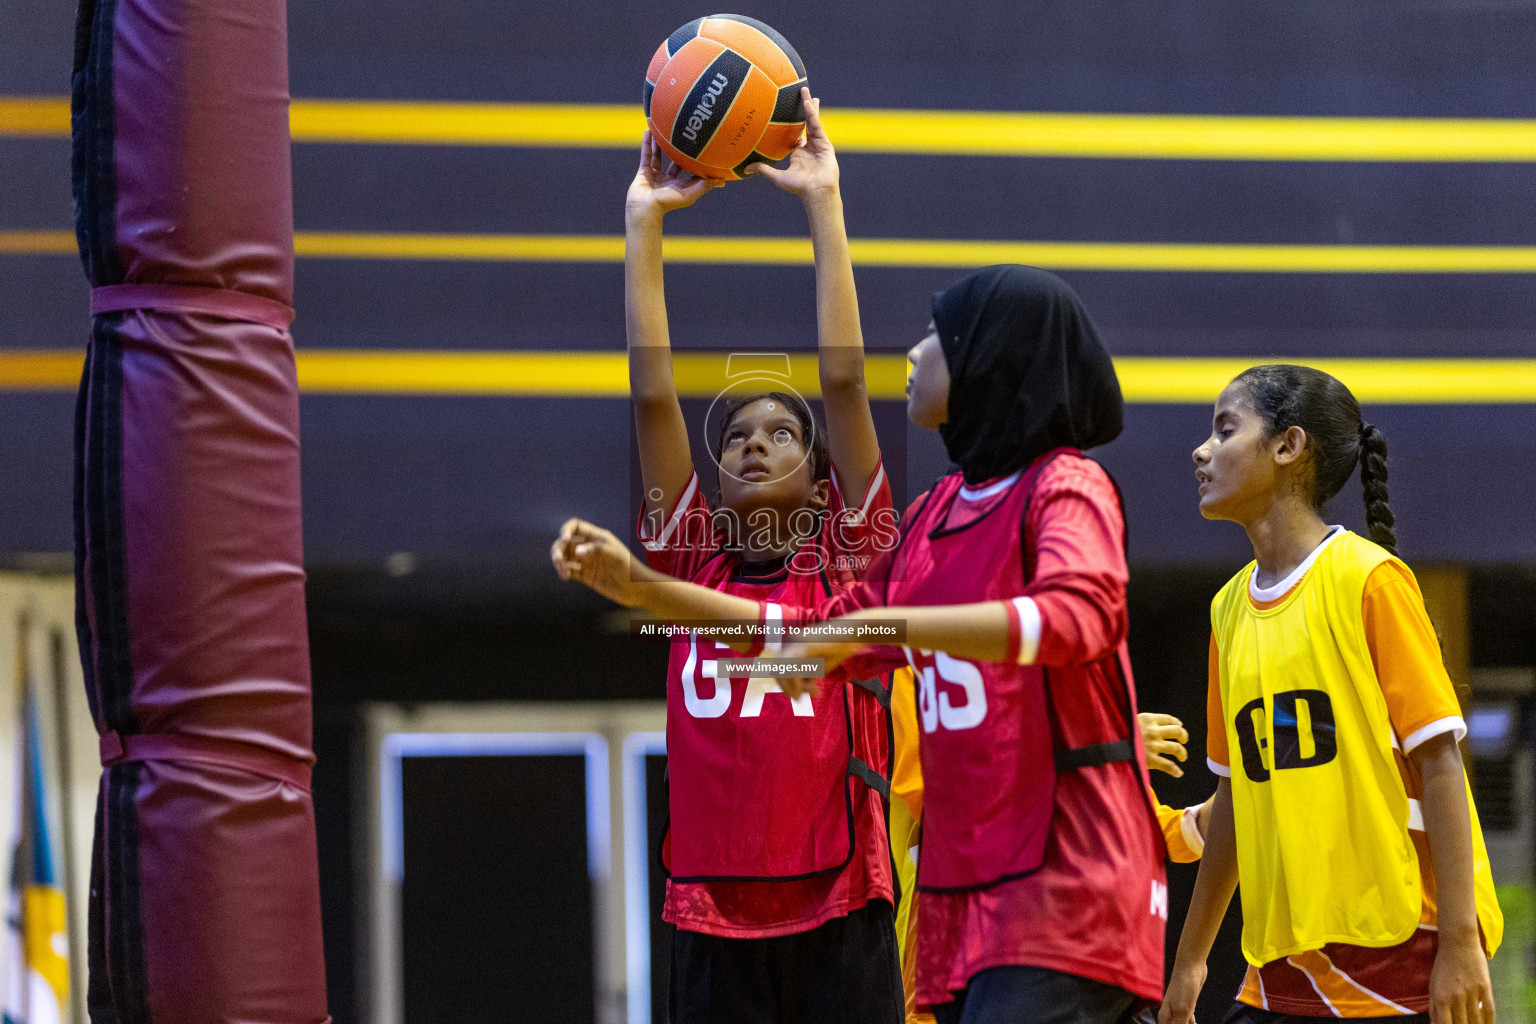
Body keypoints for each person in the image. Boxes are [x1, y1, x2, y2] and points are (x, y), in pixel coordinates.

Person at [555, 264, 1168, 1023]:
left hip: (997, 889)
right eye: (738, 437)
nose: (909, 354)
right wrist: (641, 590)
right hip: (945, 898)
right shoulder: (931, 519)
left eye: (935, 338)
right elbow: (824, 634)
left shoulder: (1048, 491)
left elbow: (1074, 618)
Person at [620, 89, 903, 1024]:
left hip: (841, 904)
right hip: (708, 913)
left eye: (781, 435)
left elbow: (846, 378)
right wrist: (643, 223)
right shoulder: (687, 564)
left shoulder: (853, 562)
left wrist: (823, 204)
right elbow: (656, 399)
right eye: (736, 435)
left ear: (823, 487)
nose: (750, 443)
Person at [1160, 365, 1503, 1024]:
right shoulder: (1228, 611)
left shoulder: (1371, 582)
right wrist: (1190, 963)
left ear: (1290, 447)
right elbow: (1237, 794)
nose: (1202, 450)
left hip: (1399, 955)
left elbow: (1441, 765)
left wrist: (1460, 944)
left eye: (1225, 429)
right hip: (1285, 962)